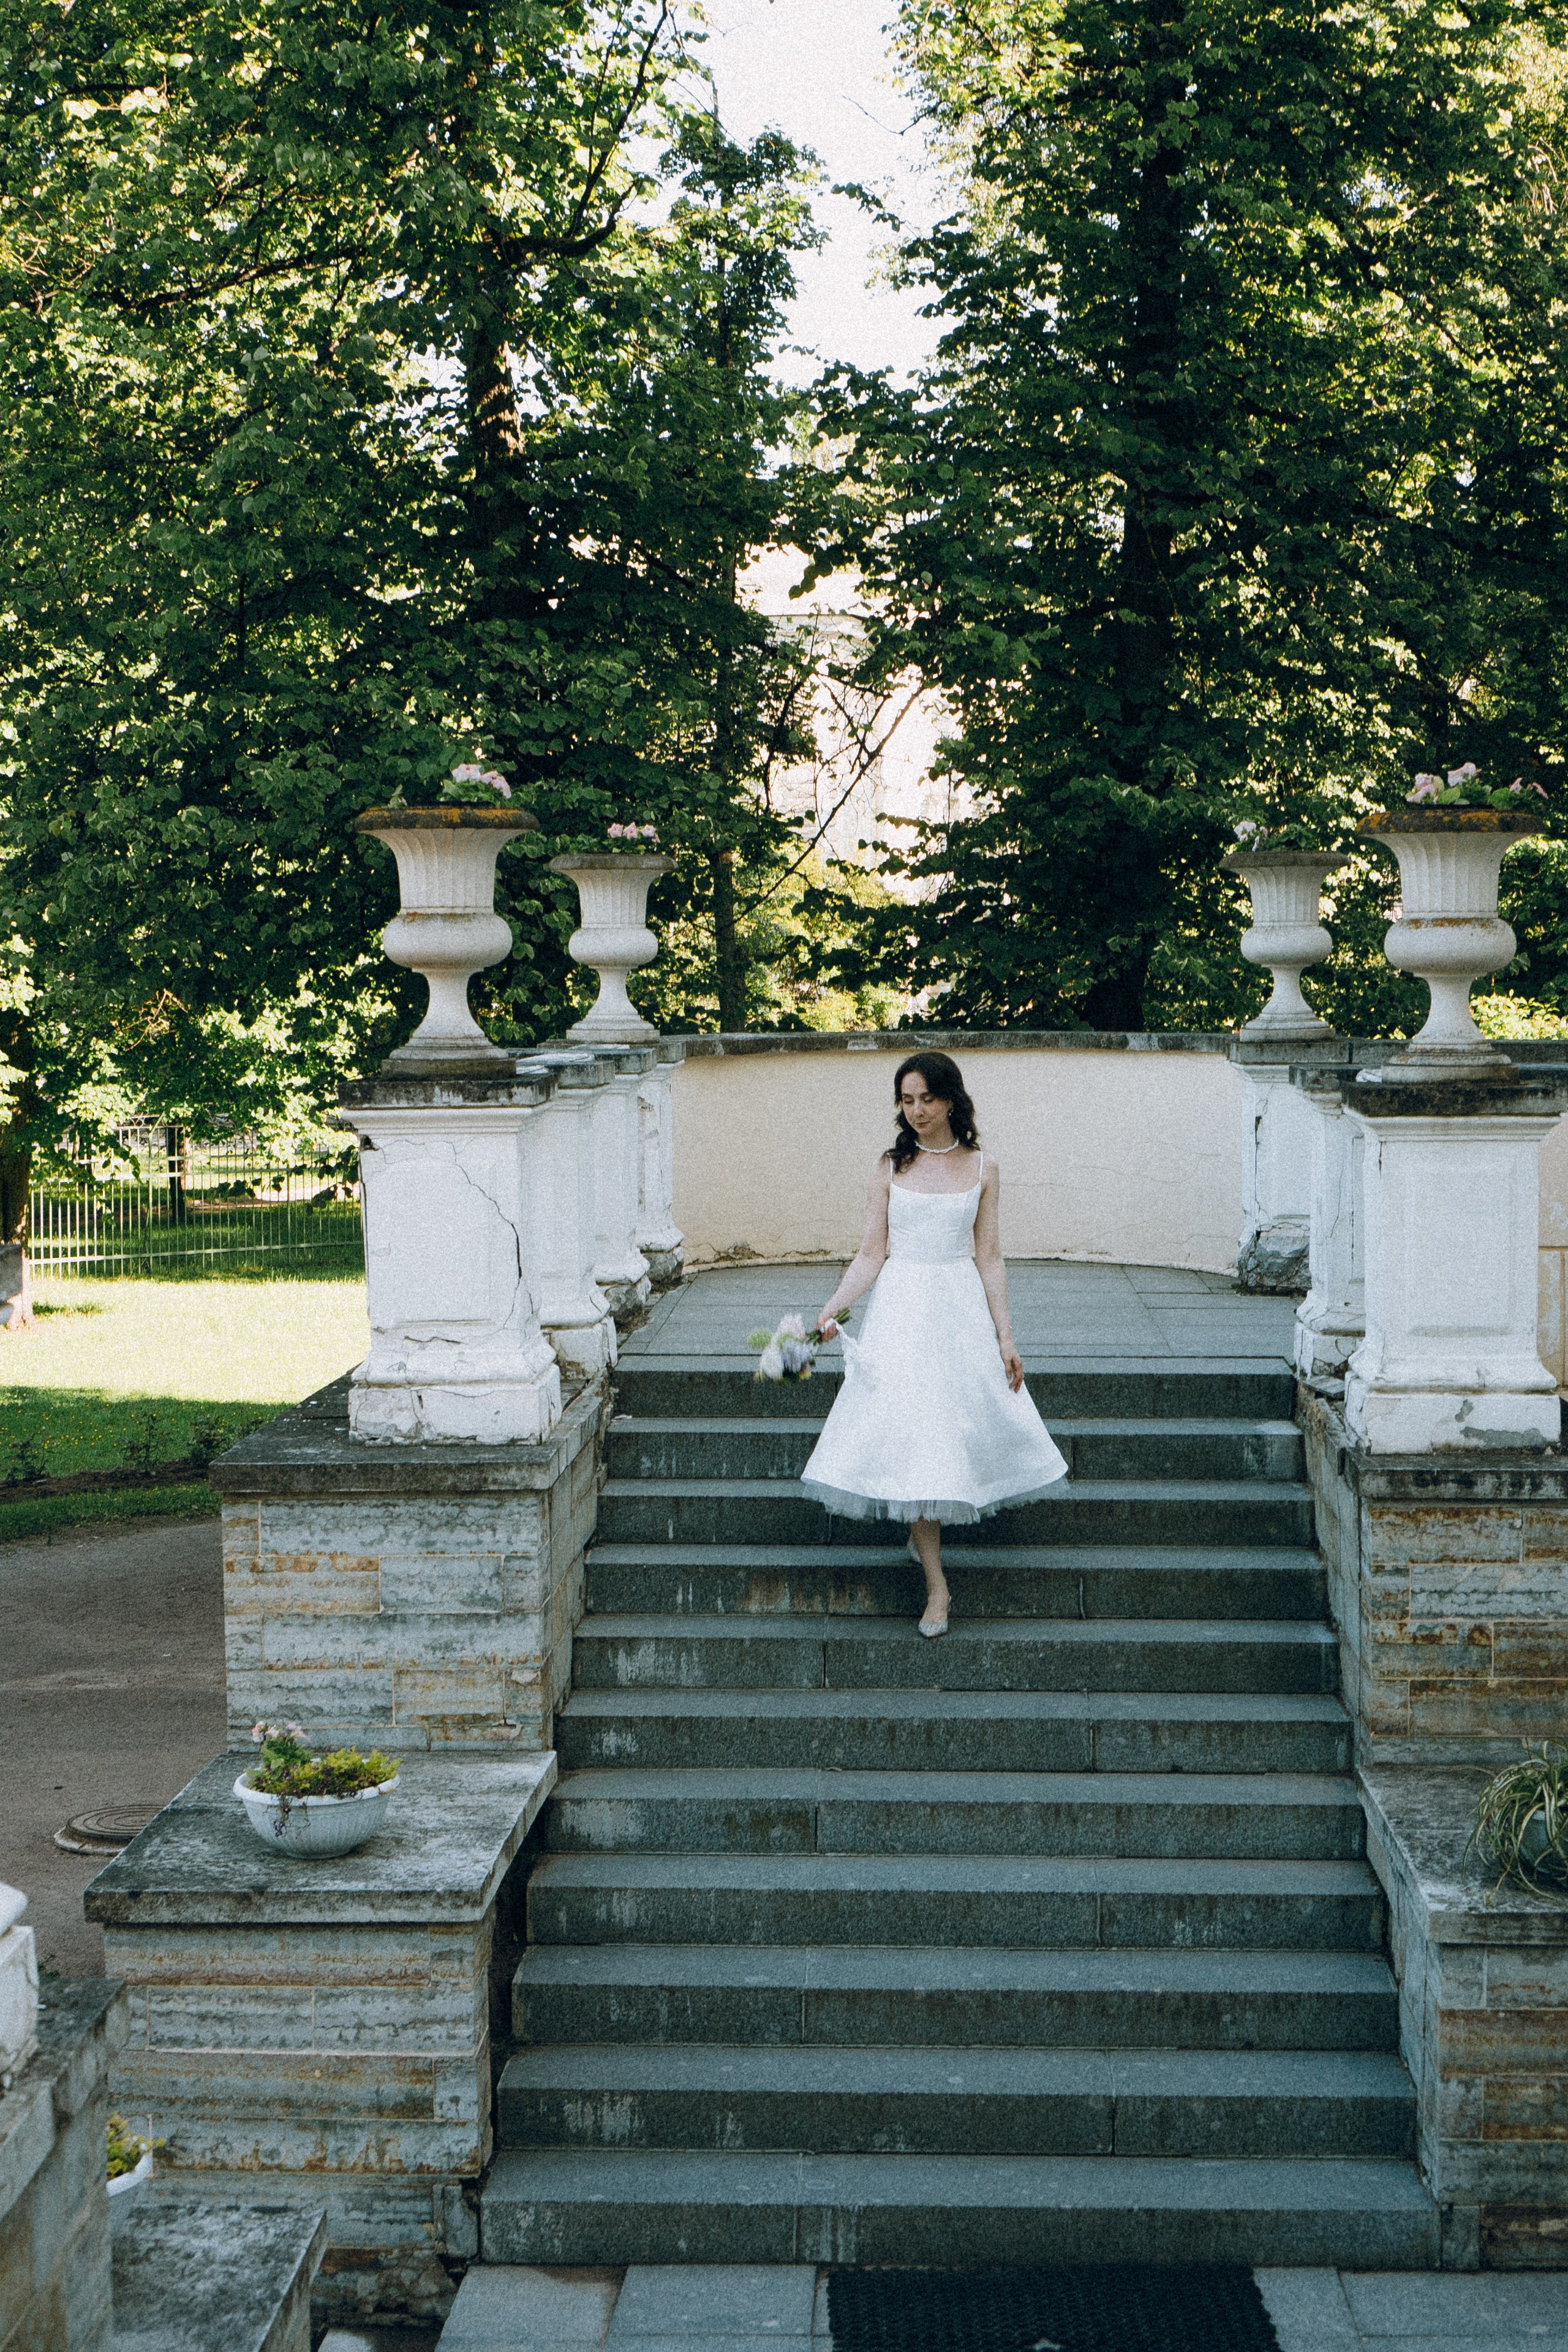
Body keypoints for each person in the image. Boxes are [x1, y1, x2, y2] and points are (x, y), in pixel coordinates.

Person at [801, 1050, 1068, 1637]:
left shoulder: (983, 1168)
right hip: (903, 1310)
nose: (916, 1111)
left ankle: (925, 1552)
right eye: (906, 1100)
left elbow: (990, 1256)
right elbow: (872, 1252)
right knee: (916, 1435)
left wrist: (1005, 1337)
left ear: (950, 1099)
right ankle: (938, 1588)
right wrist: (831, 1310)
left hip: (959, 1312)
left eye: (926, 1098)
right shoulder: (889, 1167)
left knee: (946, 1436)